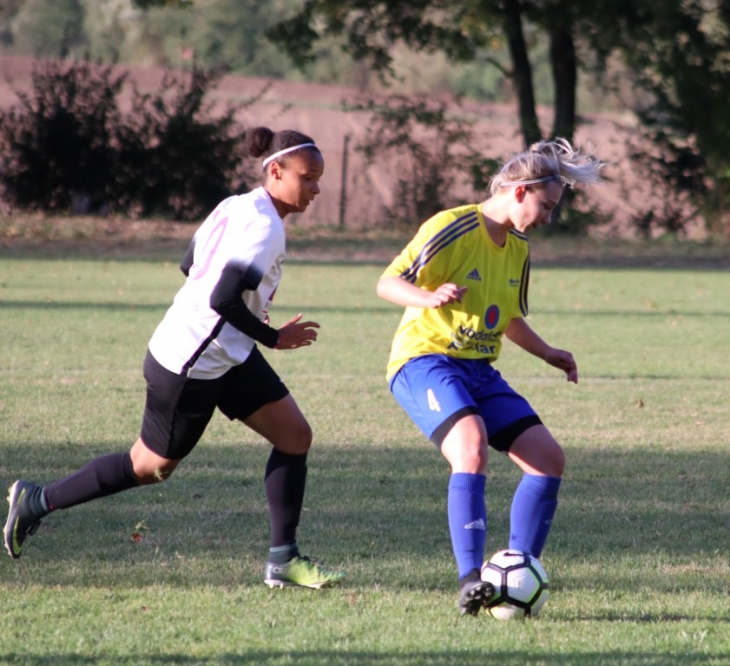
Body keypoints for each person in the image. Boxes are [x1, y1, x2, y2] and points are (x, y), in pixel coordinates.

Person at [5, 126, 345, 589]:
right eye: (307, 178)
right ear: (276, 171)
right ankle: (37, 501)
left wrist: (244, 324)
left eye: (318, 180)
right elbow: (222, 299)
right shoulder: (266, 228)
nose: (315, 189)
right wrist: (272, 336)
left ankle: (283, 560)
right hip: (190, 363)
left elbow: (190, 264)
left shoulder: (235, 205)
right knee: (150, 467)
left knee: (294, 436)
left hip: (225, 353)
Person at [375, 138, 605, 615]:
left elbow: (507, 318)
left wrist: (547, 352)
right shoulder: (452, 226)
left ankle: (517, 573)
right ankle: (470, 580)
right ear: (520, 192)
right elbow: (387, 283)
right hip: (425, 360)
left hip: (478, 369)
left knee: (548, 460)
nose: (548, 219)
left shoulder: (517, 247)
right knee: (472, 446)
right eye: (546, 206)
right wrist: (429, 297)